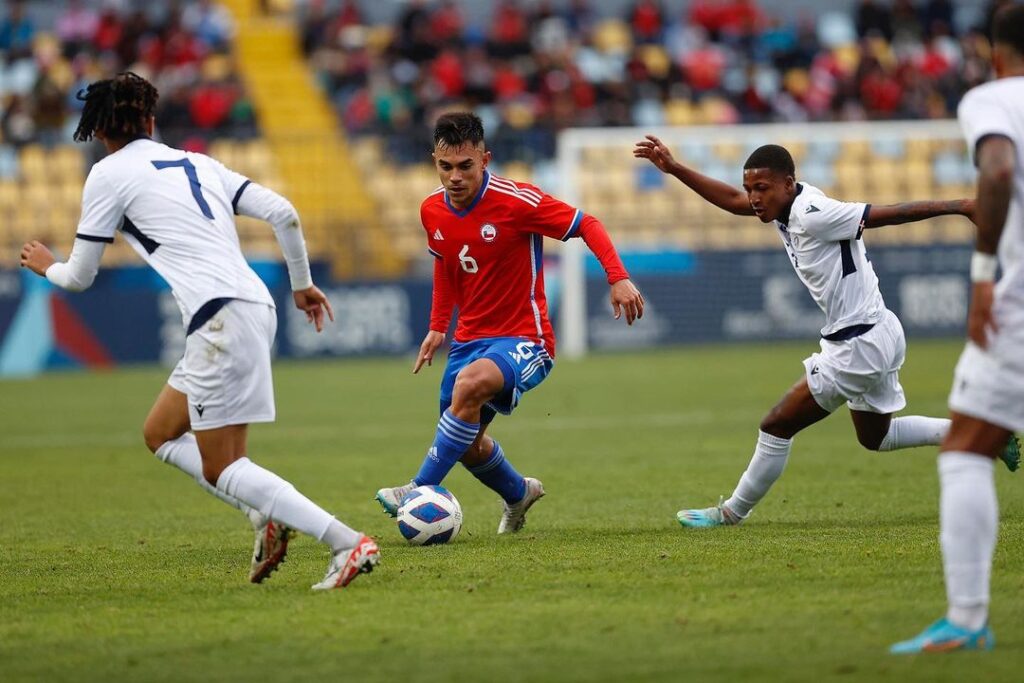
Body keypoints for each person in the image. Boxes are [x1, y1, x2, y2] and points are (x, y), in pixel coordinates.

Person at [19, 72, 379, 590]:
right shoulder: (198, 162)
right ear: (150, 118)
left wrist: (45, 264)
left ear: (98, 129)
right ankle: (265, 514)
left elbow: (79, 277)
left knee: (220, 467)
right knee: (161, 433)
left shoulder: (107, 174)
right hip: (252, 304)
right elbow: (284, 212)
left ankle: (347, 542)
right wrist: (302, 285)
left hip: (219, 318)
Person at [632, 135, 1019, 529]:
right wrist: (675, 168)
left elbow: (890, 213)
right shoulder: (784, 206)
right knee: (876, 438)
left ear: (788, 183)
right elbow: (733, 202)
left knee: (776, 424)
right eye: (750, 188)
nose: (752, 198)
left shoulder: (813, 212)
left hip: (859, 343)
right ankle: (987, 434)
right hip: (877, 329)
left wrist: (961, 206)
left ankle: (732, 512)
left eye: (761, 188)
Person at [375, 112, 644, 532]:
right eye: (446, 167)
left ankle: (416, 489)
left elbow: (586, 223)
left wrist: (618, 277)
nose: (455, 177)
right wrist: (437, 325)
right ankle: (519, 493)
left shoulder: (517, 201)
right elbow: (446, 265)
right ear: (434, 162)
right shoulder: (431, 210)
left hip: (526, 338)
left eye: (466, 166)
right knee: (465, 444)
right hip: (468, 341)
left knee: (468, 388)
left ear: (486, 159)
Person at [891, 4, 1024, 654]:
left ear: (993, 51)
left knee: (968, 446)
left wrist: (980, 274)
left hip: (1017, 302)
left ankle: (967, 620)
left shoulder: (993, 98)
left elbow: (998, 168)